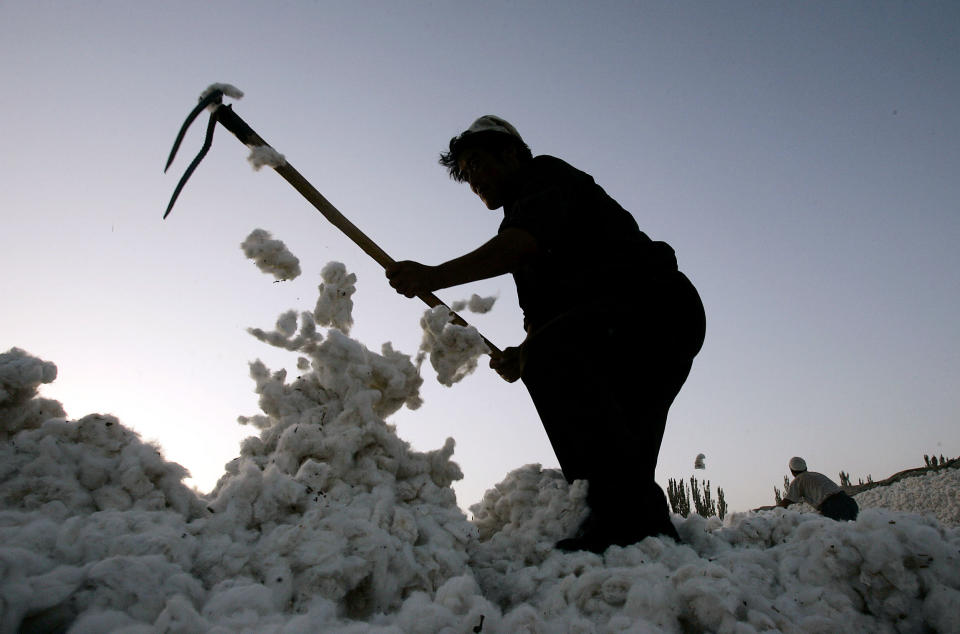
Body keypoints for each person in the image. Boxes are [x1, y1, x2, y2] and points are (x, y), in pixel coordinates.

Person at [385, 115, 706, 552]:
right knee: (624, 447)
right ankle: (644, 542)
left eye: (477, 163)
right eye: (464, 174)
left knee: (559, 366)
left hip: (652, 310)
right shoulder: (516, 225)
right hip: (619, 328)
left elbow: (522, 246)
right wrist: (522, 352)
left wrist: (434, 276)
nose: (472, 180)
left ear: (513, 154)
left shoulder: (547, 177)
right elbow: (540, 317)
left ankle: (621, 521)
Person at [777, 457, 859, 521]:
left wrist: (773, 513)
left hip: (833, 507)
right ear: (805, 468)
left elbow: (786, 502)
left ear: (792, 471)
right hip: (849, 502)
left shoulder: (798, 480)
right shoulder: (817, 474)